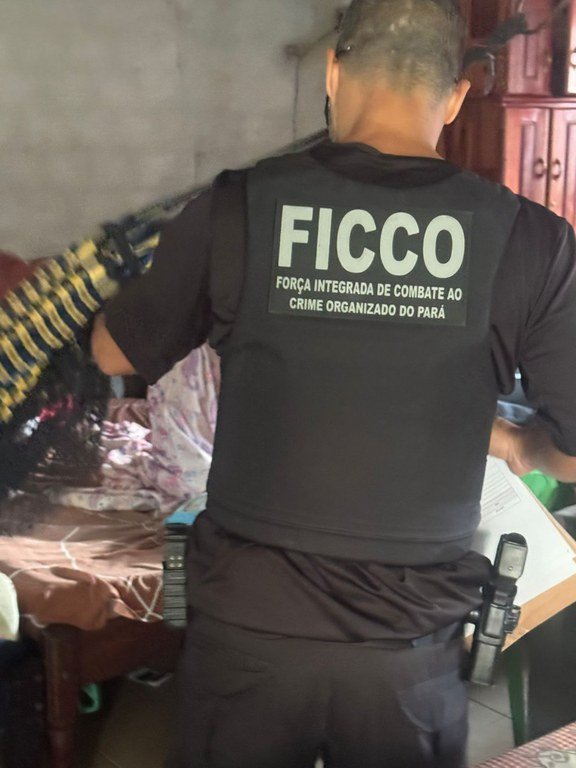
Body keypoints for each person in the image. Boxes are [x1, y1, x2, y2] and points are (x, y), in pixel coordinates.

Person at [91, 1, 576, 765]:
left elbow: (112, 353)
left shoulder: (237, 206)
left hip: (245, 640)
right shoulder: (532, 241)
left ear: (333, 72)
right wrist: (519, 443)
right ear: (455, 98)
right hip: (408, 656)